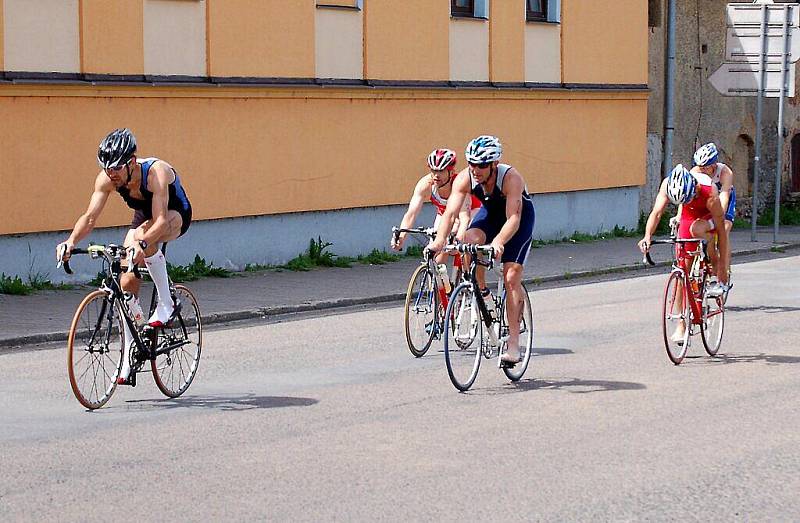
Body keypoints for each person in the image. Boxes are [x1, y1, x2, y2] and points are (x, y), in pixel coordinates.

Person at [56, 128, 193, 384]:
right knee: (125, 279)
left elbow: (161, 221)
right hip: (144, 217)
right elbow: (90, 217)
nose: (111, 174)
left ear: (132, 161)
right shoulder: (107, 178)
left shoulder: (156, 173)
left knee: (145, 238)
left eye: (116, 168)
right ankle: (132, 342)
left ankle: (167, 303)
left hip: (173, 214)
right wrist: (71, 241)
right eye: (107, 168)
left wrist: (142, 242)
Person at [428, 136, 535, 365]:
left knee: (511, 276)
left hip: (517, 219)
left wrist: (498, 242)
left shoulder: (511, 178)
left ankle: (514, 344)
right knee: (467, 241)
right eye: (471, 163)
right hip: (490, 215)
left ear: (494, 164)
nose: (475, 169)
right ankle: (483, 290)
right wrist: (439, 240)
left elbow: (514, 218)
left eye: (482, 165)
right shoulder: (466, 178)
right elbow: (450, 213)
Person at [638, 164, 730, 341]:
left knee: (703, 232)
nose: (687, 201)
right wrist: (647, 237)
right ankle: (681, 324)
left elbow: (722, 231)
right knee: (683, 269)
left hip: (709, 216)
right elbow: (657, 213)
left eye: (689, 197)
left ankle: (712, 266)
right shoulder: (667, 184)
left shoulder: (708, 191)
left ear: (693, 187)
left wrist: (722, 270)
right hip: (688, 215)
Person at [391, 148, 482, 266]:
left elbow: (464, 218)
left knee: (463, 246)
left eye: (441, 171)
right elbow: (411, 213)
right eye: (433, 171)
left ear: (451, 171)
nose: (436, 175)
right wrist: (402, 236)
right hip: (444, 214)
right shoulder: (426, 184)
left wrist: (459, 239)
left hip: (470, 211)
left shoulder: (459, 184)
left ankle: (469, 279)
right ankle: (439, 283)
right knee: (436, 257)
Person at [690, 142, 735, 276]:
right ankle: (707, 256)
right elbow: (687, 198)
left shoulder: (725, 172)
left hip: (722, 198)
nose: (702, 170)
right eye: (700, 167)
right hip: (706, 198)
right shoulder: (694, 172)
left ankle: (723, 270)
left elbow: (724, 196)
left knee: (724, 229)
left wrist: (719, 218)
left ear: (714, 165)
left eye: (706, 167)